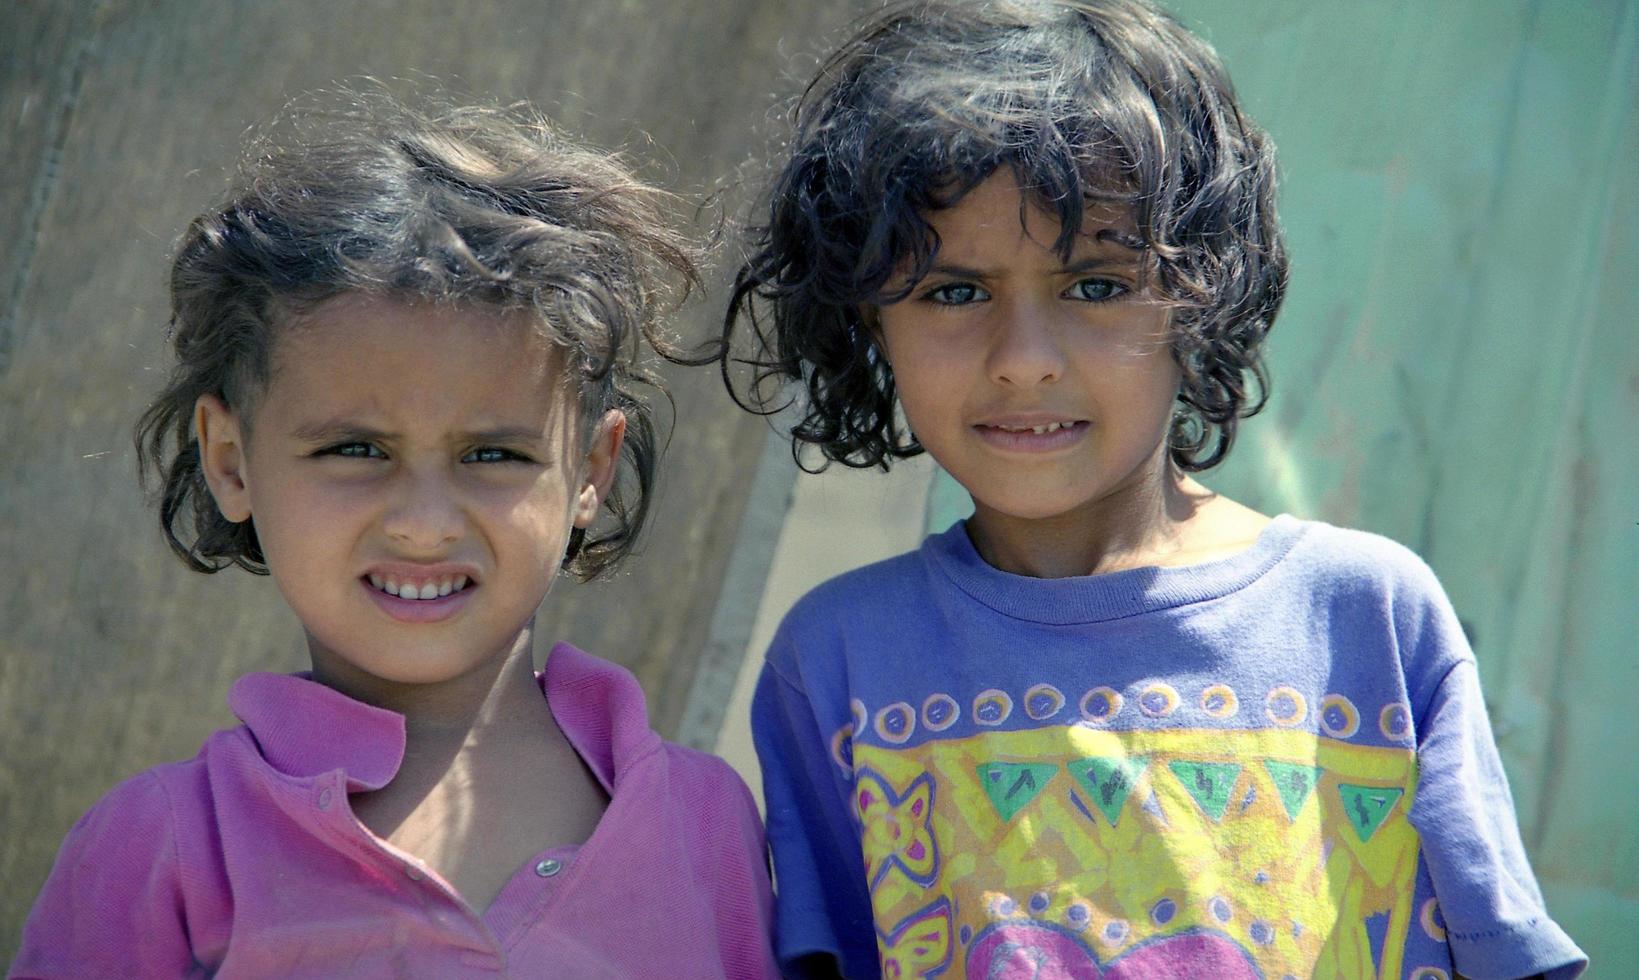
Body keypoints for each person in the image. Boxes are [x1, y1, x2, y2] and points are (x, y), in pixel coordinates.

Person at [713, 1, 1588, 977]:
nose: (1023, 361)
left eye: (1094, 284)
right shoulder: (838, 661)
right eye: (953, 291)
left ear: (1201, 291)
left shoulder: (1367, 618)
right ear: (868, 320)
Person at [12, 92, 777, 979]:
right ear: (230, 462)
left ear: (591, 473)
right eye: (354, 449)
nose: (422, 522)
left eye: (492, 453)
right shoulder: (167, 849)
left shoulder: (702, 822)